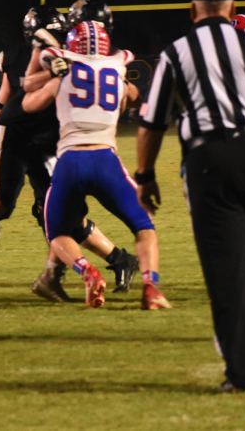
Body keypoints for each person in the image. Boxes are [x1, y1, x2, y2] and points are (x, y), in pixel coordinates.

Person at [0, 6, 139, 302]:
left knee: (60, 211)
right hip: (17, 133)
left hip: (52, 141)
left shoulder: (76, 54)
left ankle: (56, 276)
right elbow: (4, 102)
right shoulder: (24, 54)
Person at [137, 0, 245, 391]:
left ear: (192, 10)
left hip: (210, 160)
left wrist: (145, 177)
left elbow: (150, 123)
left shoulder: (176, 53)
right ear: (232, 6)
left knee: (226, 268)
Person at [22, 20, 171, 310]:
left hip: (69, 162)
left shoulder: (60, 76)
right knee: (143, 226)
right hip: (106, 161)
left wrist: (49, 74)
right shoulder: (118, 73)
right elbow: (134, 98)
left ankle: (87, 272)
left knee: (57, 233)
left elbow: (28, 104)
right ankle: (151, 288)